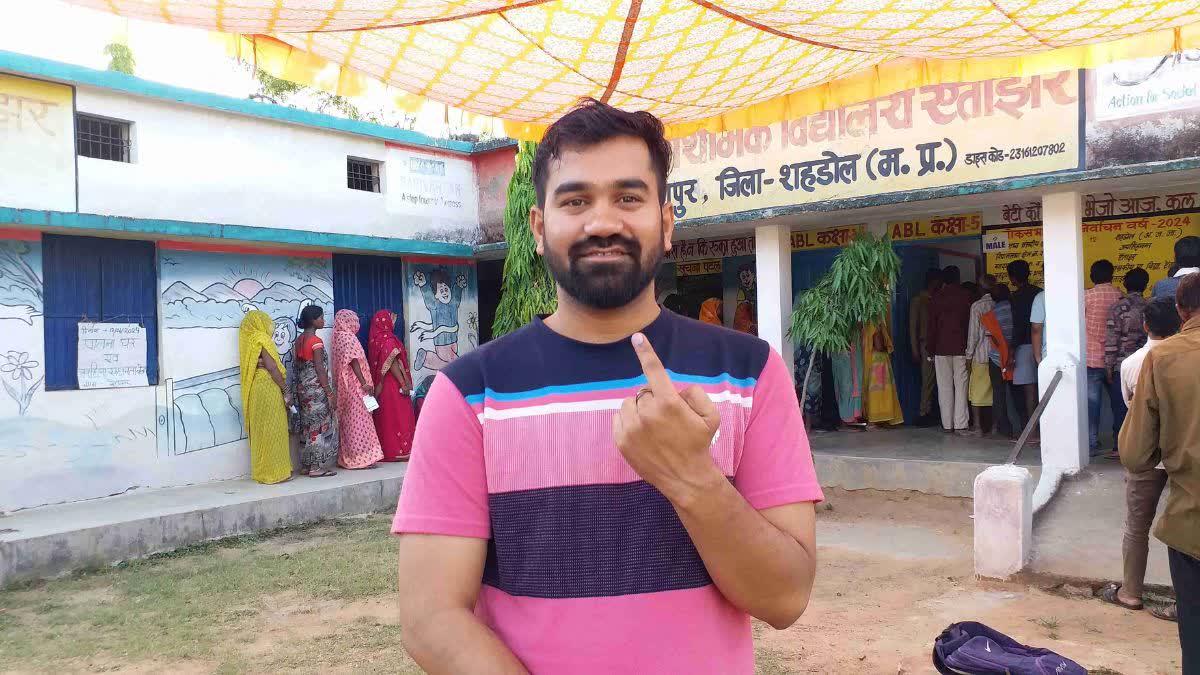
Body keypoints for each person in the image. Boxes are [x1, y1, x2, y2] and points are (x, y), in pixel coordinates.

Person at [394, 99, 822, 674]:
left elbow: (785, 598)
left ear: (666, 223)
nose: (602, 222)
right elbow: (431, 617)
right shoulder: (470, 393)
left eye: (628, 197)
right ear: (540, 227)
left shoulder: (749, 373)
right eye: (575, 201)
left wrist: (693, 480)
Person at [1120, 273, 1200, 670]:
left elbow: (1136, 454)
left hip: (1192, 526)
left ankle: (1129, 591)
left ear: (1183, 311)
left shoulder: (1162, 358)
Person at [1100, 296, 1181, 619]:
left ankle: (1130, 592)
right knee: (1187, 528)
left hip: (1145, 455)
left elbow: (1129, 404)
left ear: (1145, 326)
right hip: (1182, 455)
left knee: (1136, 526)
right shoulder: (1187, 358)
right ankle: (1184, 602)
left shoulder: (1132, 363)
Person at [238, 310, 293, 484]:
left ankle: (262, 472)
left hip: (255, 388)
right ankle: (275, 472)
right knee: (274, 429)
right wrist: (285, 389)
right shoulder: (262, 338)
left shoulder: (248, 340)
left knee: (261, 430)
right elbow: (272, 367)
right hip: (268, 387)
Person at [1103, 267, 1150, 458]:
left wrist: (1109, 365)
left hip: (1122, 363)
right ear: (1146, 285)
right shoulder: (1150, 306)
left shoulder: (1117, 307)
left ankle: (1119, 446)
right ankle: (1144, 447)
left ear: (1125, 285)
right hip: (1147, 361)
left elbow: (1112, 339)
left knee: (1120, 407)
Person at [332, 309, 384, 470]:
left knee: (348, 421)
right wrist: (363, 383)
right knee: (359, 421)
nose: (357, 324)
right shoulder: (348, 337)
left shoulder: (337, 337)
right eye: (354, 320)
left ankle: (348, 456)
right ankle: (362, 458)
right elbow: (353, 361)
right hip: (355, 386)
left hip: (344, 387)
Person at [292, 305, 338, 478]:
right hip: (317, 391)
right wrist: (329, 393)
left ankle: (305, 465)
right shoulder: (316, 342)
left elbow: (298, 367)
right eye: (320, 318)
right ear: (313, 321)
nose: (323, 321)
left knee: (307, 427)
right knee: (317, 427)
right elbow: (319, 369)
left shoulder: (299, 341)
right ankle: (315, 467)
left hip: (303, 391)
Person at [1083, 260, 1124, 455]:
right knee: (1119, 403)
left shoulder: (1086, 297)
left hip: (1091, 358)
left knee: (1092, 405)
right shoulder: (1120, 297)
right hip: (1114, 360)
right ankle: (1119, 443)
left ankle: (1091, 443)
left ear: (1092, 275)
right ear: (1111, 275)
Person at [927, 265, 972, 434]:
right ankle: (961, 424)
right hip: (961, 347)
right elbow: (970, 324)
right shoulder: (966, 296)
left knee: (944, 386)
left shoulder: (936, 298)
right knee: (961, 386)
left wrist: (930, 350)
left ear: (943, 280)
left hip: (940, 348)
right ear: (958, 278)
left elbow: (931, 327)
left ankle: (947, 424)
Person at [368, 309, 417, 462]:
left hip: (382, 387)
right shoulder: (388, 340)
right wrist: (404, 383)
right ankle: (401, 450)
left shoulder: (375, 340)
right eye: (392, 319)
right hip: (393, 385)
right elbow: (393, 363)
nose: (394, 322)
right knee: (400, 416)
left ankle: (389, 450)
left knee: (388, 418)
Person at [1009, 260, 1041, 442]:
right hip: (1042, 345)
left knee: (1029, 391)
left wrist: (1012, 349)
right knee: (1040, 388)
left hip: (1025, 346)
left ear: (1012, 278)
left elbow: (1018, 326)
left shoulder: (1017, 297)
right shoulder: (1039, 292)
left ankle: (1032, 433)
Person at [981, 283, 1016, 438]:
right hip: (1016, 357)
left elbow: (992, 339)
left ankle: (1005, 428)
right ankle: (1024, 425)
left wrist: (1002, 353)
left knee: (999, 393)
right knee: (1018, 393)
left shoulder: (991, 315)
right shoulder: (1016, 311)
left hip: (997, 360)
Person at [965, 275, 997, 436]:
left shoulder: (977, 306)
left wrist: (968, 356)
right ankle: (994, 426)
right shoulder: (998, 303)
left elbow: (973, 334)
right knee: (995, 391)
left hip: (980, 354)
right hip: (997, 354)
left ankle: (977, 426)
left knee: (976, 391)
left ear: (981, 287)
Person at [909, 269, 942, 426]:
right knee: (927, 381)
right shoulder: (919, 300)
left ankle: (934, 412)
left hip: (939, 345)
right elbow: (913, 327)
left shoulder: (938, 298)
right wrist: (915, 349)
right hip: (925, 345)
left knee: (940, 381)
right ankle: (924, 412)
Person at [861, 314, 903, 427]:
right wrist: (886, 346)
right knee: (879, 392)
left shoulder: (865, 321)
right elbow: (878, 344)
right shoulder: (876, 321)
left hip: (871, 360)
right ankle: (874, 420)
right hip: (878, 361)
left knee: (874, 391)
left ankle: (876, 420)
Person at [831, 330, 864, 429]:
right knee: (845, 387)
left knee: (852, 384)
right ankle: (845, 419)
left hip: (851, 353)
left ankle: (851, 418)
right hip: (842, 356)